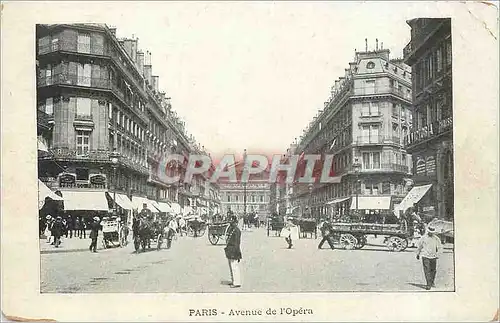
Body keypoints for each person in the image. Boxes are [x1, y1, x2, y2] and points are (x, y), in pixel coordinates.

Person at [416, 226, 442, 290]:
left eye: (432, 232)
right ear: (428, 231)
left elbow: (439, 247)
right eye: (430, 232)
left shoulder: (436, 239)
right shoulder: (423, 238)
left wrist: (438, 254)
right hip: (425, 256)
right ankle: (428, 284)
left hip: (433, 256)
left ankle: (432, 281)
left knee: (433, 270)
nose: (431, 233)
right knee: (427, 270)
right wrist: (418, 254)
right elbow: (420, 246)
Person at [224, 215, 242, 288]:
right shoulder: (232, 229)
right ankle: (233, 280)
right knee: (231, 267)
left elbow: (237, 243)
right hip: (230, 250)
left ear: (235, 222)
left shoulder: (237, 231)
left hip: (234, 251)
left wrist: (236, 253)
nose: (231, 224)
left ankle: (237, 282)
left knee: (234, 267)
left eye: (232, 222)